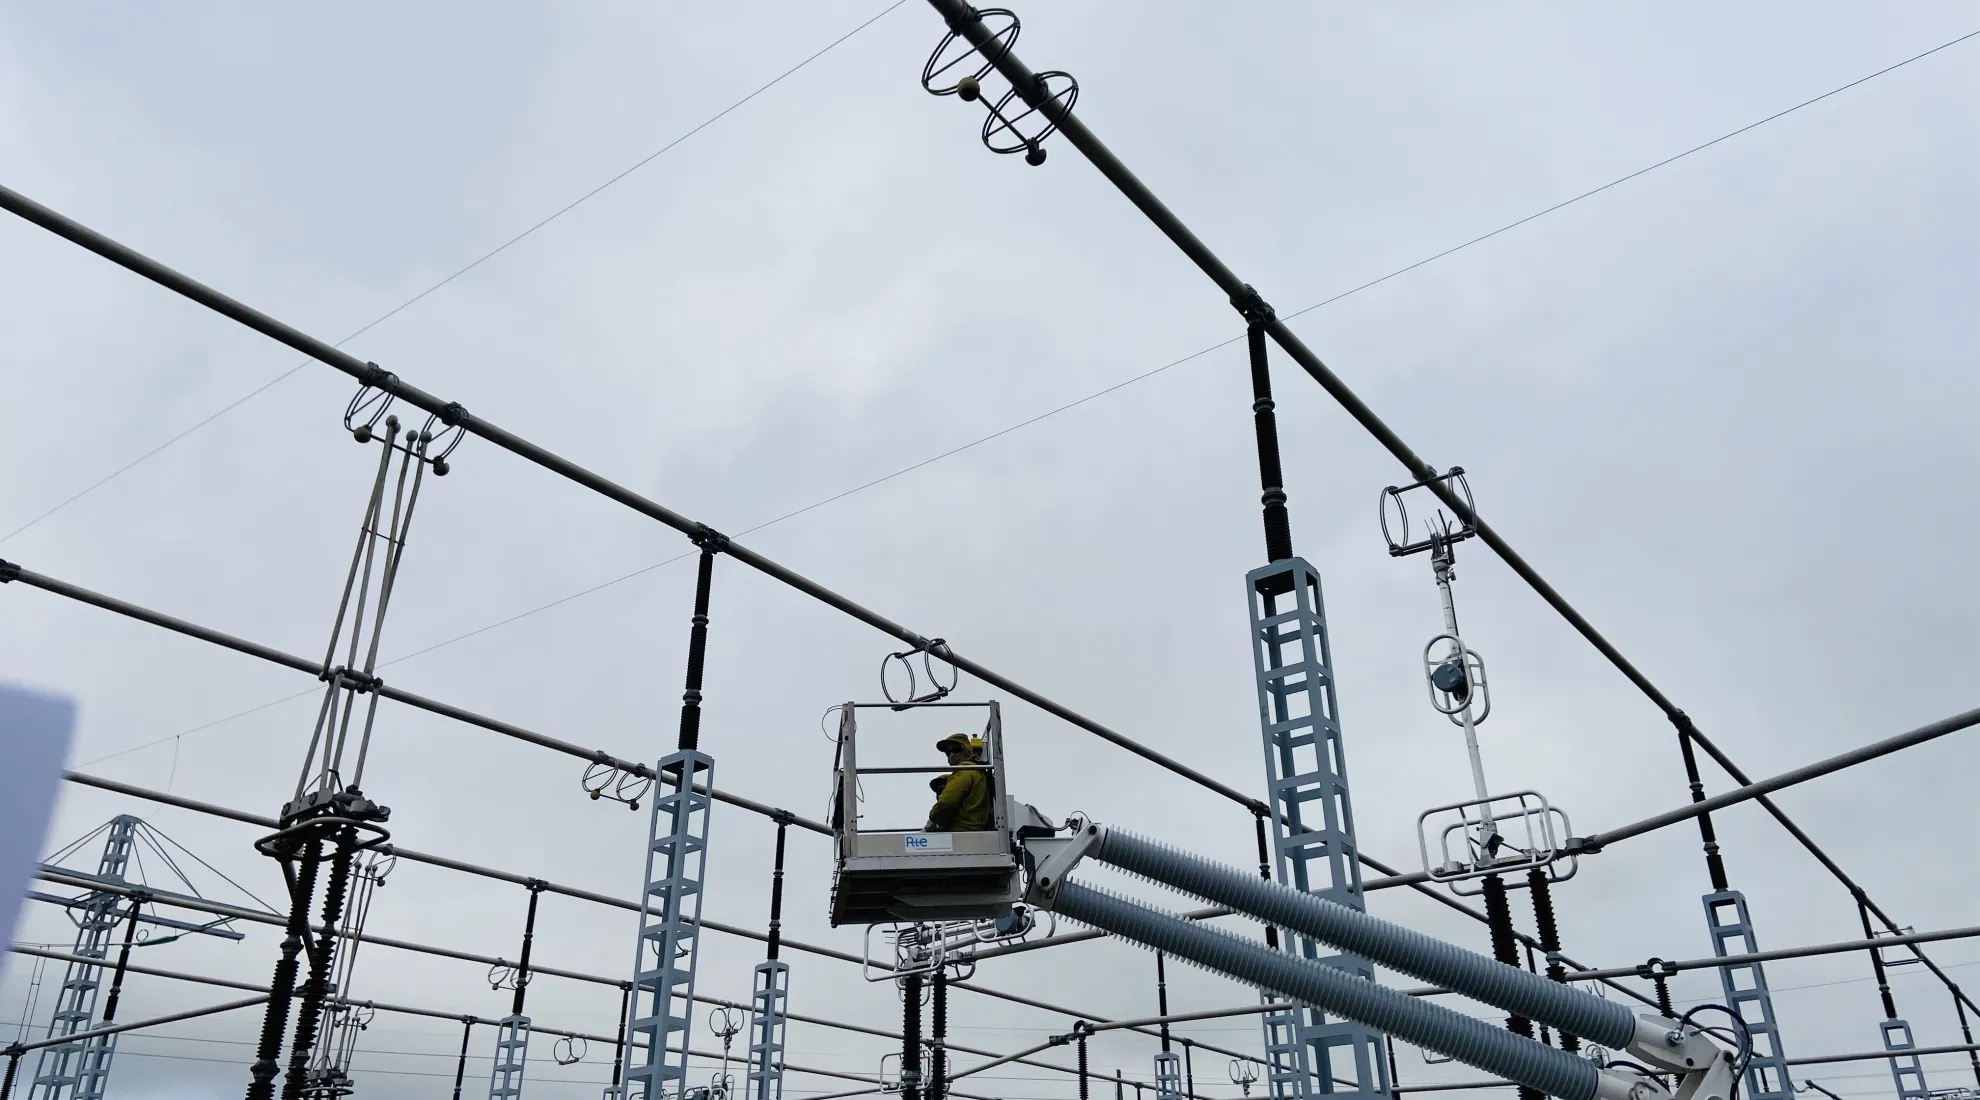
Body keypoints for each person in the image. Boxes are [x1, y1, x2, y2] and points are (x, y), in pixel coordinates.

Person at [923, 733, 993, 831]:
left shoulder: (964, 772)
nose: (951, 755)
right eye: (948, 753)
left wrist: (934, 818)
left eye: (955, 750)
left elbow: (946, 802)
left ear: (966, 750)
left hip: (960, 830)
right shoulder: (978, 772)